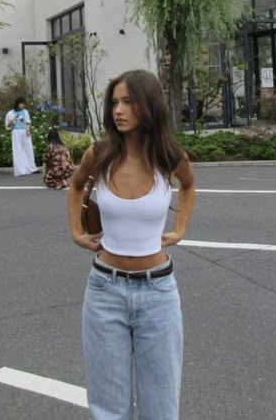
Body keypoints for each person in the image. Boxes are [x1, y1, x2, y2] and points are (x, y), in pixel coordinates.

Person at [68, 69, 195, 420]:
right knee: (108, 405)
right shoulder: (100, 154)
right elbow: (76, 185)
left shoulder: (169, 157)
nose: (117, 110)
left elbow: (187, 185)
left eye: (127, 102)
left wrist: (180, 227)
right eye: (114, 103)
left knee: (161, 404)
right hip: (104, 289)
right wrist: (76, 232)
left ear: (148, 105)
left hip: (159, 292)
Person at [5, 97, 38, 176]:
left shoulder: (25, 112)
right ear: (18, 104)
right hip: (16, 132)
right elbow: (8, 126)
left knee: (28, 149)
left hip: (24, 132)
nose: (23, 105)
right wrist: (11, 121)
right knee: (18, 150)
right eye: (22, 104)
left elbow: (28, 122)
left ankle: (31, 168)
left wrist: (28, 130)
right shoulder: (10, 113)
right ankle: (20, 170)